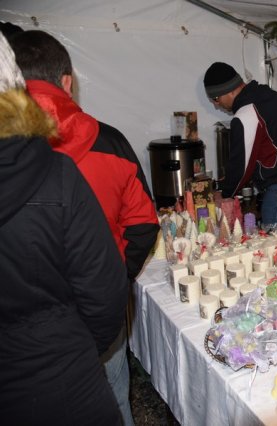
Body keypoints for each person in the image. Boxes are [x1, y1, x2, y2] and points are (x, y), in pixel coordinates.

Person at [10, 30, 160, 426]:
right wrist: (117, 273)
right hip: (98, 308)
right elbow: (144, 223)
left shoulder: (11, 153)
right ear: (67, 82)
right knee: (113, 398)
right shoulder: (111, 142)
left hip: (22, 331)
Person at [202, 62, 277, 237]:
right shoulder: (266, 95)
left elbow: (241, 164)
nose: (217, 105)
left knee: (276, 247)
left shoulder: (246, 112)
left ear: (229, 90)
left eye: (216, 99)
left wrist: (224, 192)